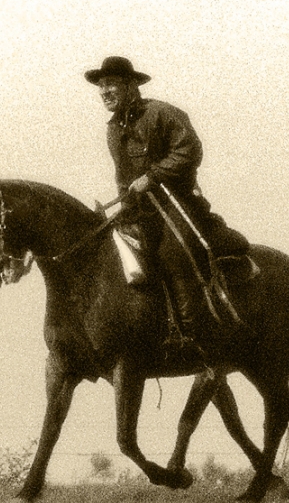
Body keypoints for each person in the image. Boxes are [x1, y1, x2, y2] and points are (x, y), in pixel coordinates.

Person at [84, 56, 250, 346]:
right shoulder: (112, 128)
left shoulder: (162, 113)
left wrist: (153, 176)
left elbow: (190, 150)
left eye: (110, 84)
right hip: (137, 211)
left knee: (173, 252)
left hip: (176, 204)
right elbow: (124, 178)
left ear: (130, 86)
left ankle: (193, 333)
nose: (104, 91)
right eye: (101, 86)